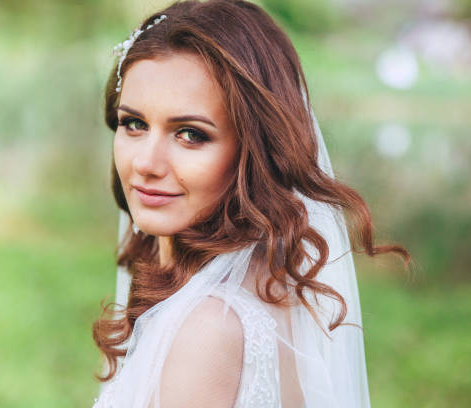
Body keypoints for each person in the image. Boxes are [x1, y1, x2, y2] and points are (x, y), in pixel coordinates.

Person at [92, 1, 409, 407]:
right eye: (134, 124)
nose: (146, 164)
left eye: (190, 134)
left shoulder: (204, 328)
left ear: (253, 150)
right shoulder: (271, 281)